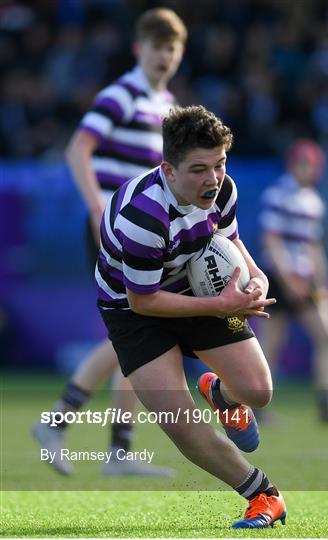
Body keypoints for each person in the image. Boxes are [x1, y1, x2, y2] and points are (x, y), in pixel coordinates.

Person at [96, 104, 286, 529]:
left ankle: (223, 396)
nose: (213, 179)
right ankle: (264, 496)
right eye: (199, 169)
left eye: (219, 164)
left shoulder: (224, 190)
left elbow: (230, 242)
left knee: (257, 391)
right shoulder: (144, 215)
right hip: (133, 310)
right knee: (180, 422)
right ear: (169, 169)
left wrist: (257, 279)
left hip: (196, 286)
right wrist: (222, 307)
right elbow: (144, 300)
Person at [33, 7, 186, 477]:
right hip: (112, 228)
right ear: (139, 48)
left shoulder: (167, 106)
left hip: (141, 234)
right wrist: (97, 206)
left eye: (172, 48)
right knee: (137, 330)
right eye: (157, 47)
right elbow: (78, 148)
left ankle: (118, 449)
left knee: (138, 334)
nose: (164, 56)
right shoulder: (121, 94)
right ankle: (57, 422)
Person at [257, 139, 328, 423]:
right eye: (304, 163)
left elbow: (313, 246)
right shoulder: (277, 195)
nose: (309, 170)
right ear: (292, 164)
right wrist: (287, 280)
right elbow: (271, 241)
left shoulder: (313, 200)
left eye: (312, 165)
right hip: (280, 278)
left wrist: (322, 284)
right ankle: (255, 407)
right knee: (270, 345)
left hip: (305, 279)